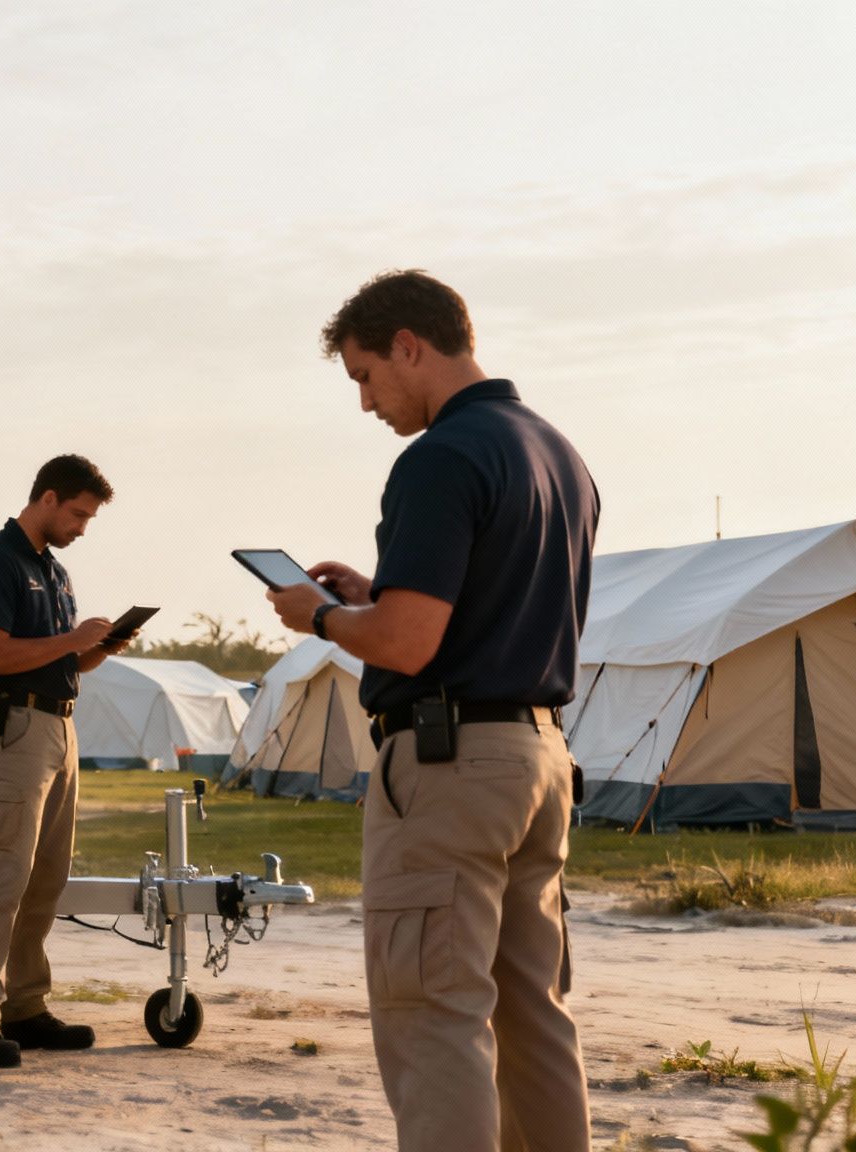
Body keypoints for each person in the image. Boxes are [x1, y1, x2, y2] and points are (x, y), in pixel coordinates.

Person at [266, 270, 598, 1150]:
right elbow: (483, 609)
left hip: (452, 770)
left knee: (434, 1015)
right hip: (539, 755)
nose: (367, 402)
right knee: (534, 1014)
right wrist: (376, 596)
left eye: (366, 376)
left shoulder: (441, 457)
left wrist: (325, 618)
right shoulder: (557, 452)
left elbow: (410, 644)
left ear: (408, 345)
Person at [0, 454, 128, 1068]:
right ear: (47, 499)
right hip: (16, 730)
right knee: (4, 876)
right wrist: (74, 641)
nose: (82, 527)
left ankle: (25, 1007)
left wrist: (96, 650)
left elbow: (59, 662)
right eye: (78, 514)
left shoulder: (56, 573)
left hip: (59, 725)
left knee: (46, 879)